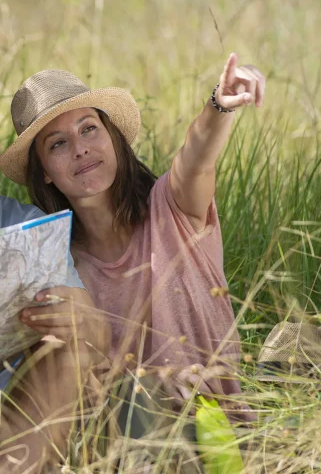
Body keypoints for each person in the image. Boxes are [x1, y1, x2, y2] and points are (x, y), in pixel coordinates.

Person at [0, 53, 265, 415]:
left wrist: (219, 104)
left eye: (89, 128)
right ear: (44, 171)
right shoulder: (59, 274)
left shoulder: (172, 209)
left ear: (112, 136)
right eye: (58, 143)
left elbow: (196, 159)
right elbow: (79, 390)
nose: (81, 149)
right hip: (136, 447)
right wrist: (150, 386)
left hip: (227, 429)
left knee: (295, 342)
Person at [0, 196, 110, 472]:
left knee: (73, 350)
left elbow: (97, 337)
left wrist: (79, 320)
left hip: (14, 397)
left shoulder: (25, 225)